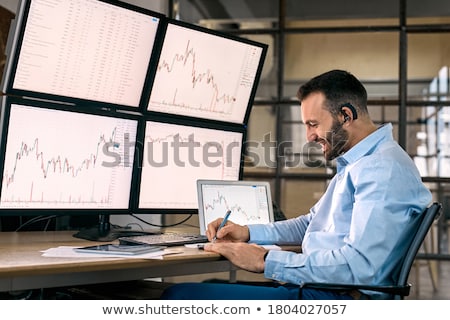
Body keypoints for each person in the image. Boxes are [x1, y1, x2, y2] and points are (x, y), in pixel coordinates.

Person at [160, 69, 432, 300]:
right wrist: (247, 232)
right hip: (323, 288)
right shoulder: (361, 162)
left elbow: (360, 267)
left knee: (179, 296)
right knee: (208, 288)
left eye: (313, 124)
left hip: (334, 296)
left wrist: (264, 261)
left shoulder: (381, 169)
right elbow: (310, 223)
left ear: (346, 116)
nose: (310, 136)